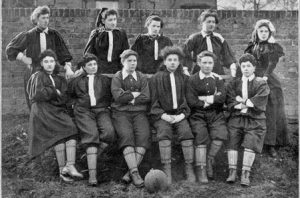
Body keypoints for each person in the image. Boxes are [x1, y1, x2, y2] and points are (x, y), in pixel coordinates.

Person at [27, 49, 82, 183]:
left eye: (52, 61)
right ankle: (62, 171)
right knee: (59, 136)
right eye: (46, 61)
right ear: (41, 63)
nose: (49, 64)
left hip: (56, 110)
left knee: (72, 129)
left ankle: (70, 165)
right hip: (43, 111)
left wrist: (54, 93)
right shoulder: (38, 75)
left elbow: (63, 97)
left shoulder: (59, 78)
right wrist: (54, 91)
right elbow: (38, 94)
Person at [6, 5, 74, 109]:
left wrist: (68, 68)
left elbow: (64, 54)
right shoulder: (29, 35)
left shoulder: (54, 34)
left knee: (53, 99)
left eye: (47, 18)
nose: (46, 21)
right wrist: (23, 58)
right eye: (43, 18)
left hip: (52, 72)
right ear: (36, 19)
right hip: (34, 72)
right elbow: (10, 49)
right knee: (35, 101)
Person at [150, 46, 195, 184]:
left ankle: (189, 169)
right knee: (164, 132)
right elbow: (153, 102)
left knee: (186, 132)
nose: (173, 63)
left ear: (179, 62)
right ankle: (167, 170)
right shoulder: (156, 78)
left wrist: (181, 116)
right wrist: (163, 115)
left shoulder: (184, 78)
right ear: (164, 62)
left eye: (175, 60)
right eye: (169, 60)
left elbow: (188, 100)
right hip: (162, 116)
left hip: (180, 115)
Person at [68, 53, 115, 186]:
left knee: (109, 133)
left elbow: (111, 95)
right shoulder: (76, 81)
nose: (93, 67)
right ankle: (92, 177)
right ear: (84, 67)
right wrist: (74, 106)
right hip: (83, 111)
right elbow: (69, 96)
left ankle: (89, 158)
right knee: (92, 135)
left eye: (95, 64)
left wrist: (109, 107)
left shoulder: (105, 80)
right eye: (90, 65)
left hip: (102, 110)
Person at [244, 19, 289, 157]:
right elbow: (247, 62)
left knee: (271, 111)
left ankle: (272, 144)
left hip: (269, 80)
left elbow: (272, 63)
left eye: (266, 31)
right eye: (261, 31)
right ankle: (256, 141)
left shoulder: (272, 46)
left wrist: (264, 77)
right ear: (256, 32)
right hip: (254, 79)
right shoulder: (252, 47)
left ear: (269, 33)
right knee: (255, 110)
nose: (263, 34)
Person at [226, 53, 270, 186]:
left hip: (255, 118)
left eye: (248, 66)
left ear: (254, 67)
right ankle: (232, 172)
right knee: (232, 138)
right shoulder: (235, 83)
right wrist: (241, 103)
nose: (245, 68)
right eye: (243, 66)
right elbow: (230, 100)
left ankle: (246, 174)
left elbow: (259, 100)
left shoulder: (261, 83)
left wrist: (243, 101)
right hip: (237, 117)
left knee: (252, 140)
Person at [111, 49, 151, 188]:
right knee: (126, 136)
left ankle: (129, 173)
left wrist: (129, 97)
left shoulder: (141, 76)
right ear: (123, 62)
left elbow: (146, 96)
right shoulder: (117, 77)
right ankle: (135, 172)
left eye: (134, 61)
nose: (133, 63)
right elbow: (118, 97)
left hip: (139, 112)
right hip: (121, 113)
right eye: (129, 61)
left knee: (144, 136)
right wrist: (135, 94)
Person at [186, 51, 227, 183]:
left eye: (210, 63)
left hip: (215, 114)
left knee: (221, 133)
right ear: (199, 63)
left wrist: (205, 98)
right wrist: (211, 99)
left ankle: (209, 159)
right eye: (204, 62)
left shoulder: (218, 79)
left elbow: (222, 98)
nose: (207, 65)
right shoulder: (192, 79)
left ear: (213, 64)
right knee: (201, 135)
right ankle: (201, 169)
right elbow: (192, 101)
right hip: (197, 115)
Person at [183, 9, 237, 76]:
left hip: (217, 72)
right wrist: (185, 70)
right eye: (208, 22)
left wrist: (233, 70)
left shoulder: (219, 38)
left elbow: (228, 55)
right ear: (201, 23)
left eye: (213, 22)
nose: (211, 24)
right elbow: (185, 54)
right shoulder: (194, 38)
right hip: (200, 73)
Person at [83, 8, 129, 74]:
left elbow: (126, 53)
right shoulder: (96, 34)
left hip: (117, 70)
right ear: (103, 21)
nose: (113, 23)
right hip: (99, 70)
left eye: (114, 19)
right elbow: (89, 53)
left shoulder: (121, 33)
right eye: (110, 20)